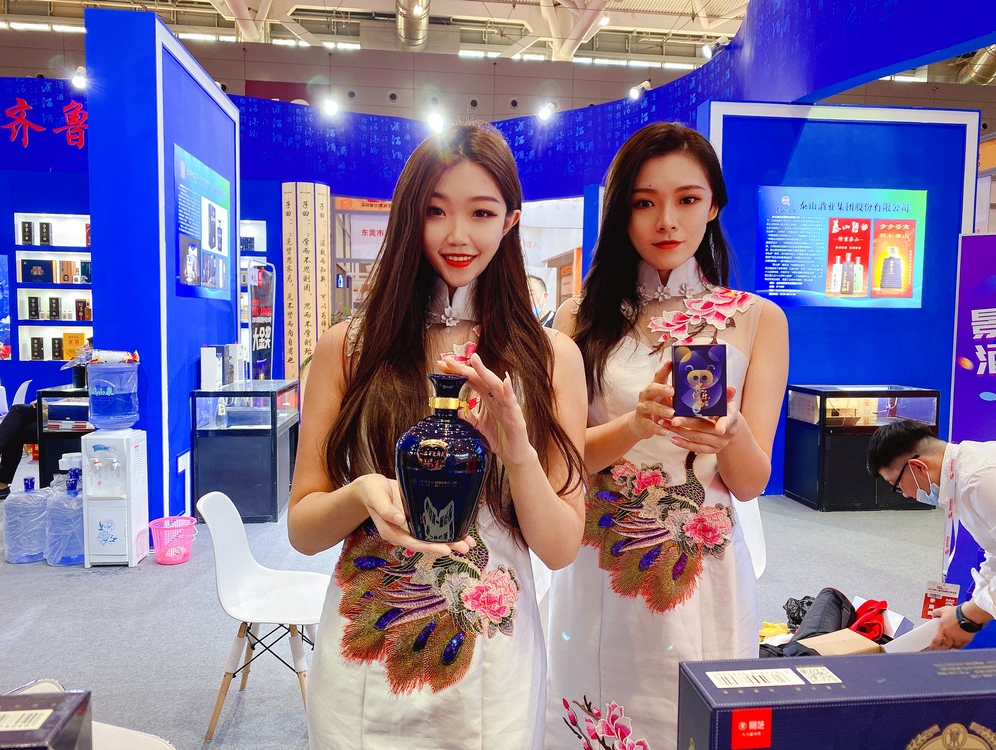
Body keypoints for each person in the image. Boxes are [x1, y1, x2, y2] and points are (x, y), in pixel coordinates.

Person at [288, 123, 587, 749]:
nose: (457, 235)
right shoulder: (348, 348)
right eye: (435, 210)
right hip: (365, 650)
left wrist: (517, 452)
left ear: (510, 222)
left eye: (481, 212)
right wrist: (362, 494)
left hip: (492, 660)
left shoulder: (550, 357)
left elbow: (561, 546)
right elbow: (304, 529)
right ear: (407, 218)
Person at [545, 122, 788, 748]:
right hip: (600, 559)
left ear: (714, 206)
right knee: (593, 710)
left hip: (702, 568)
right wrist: (632, 426)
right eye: (644, 202)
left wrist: (731, 433)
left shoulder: (757, 318)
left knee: (693, 721)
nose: (667, 221)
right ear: (621, 211)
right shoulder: (579, 317)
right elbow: (560, 462)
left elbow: (750, 482)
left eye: (687, 199)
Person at [867, 418, 996, 648]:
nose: (905, 494)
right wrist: (967, 618)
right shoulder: (963, 479)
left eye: (896, 485)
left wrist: (968, 615)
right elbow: (994, 551)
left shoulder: (980, 479)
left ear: (918, 467)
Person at [0, 402, 39, 502]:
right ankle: (1, 486)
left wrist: (47, 401)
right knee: (13, 430)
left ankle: (1, 486)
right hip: (54, 410)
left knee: (17, 409)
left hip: (70, 417)